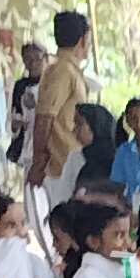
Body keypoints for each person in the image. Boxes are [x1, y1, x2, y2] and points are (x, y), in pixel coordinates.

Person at [27, 12, 94, 195]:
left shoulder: (68, 69)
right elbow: (44, 118)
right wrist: (39, 161)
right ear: (83, 40)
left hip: (71, 161)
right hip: (61, 165)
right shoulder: (62, 71)